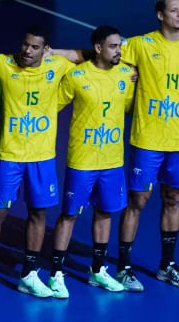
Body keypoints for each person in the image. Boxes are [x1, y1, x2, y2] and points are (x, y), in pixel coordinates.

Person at [115, 0, 179, 290]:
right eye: (174, 10)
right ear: (160, 15)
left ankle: (167, 265)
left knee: (173, 199)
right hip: (147, 139)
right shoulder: (141, 45)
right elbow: (113, 63)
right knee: (138, 200)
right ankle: (124, 267)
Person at [0, 27, 75, 300]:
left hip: (42, 157)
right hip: (10, 155)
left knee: (38, 214)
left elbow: (87, 57)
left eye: (34, 47)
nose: (27, 51)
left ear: (45, 50)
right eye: (25, 45)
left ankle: (29, 274)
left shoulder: (58, 65)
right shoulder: (3, 63)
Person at [47, 25, 137, 299]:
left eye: (119, 47)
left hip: (112, 161)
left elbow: (131, 108)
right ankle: (57, 273)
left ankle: (98, 270)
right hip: (83, 160)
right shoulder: (76, 76)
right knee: (70, 215)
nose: (118, 52)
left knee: (105, 212)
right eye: (113, 47)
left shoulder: (125, 75)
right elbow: (52, 107)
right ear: (97, 48)